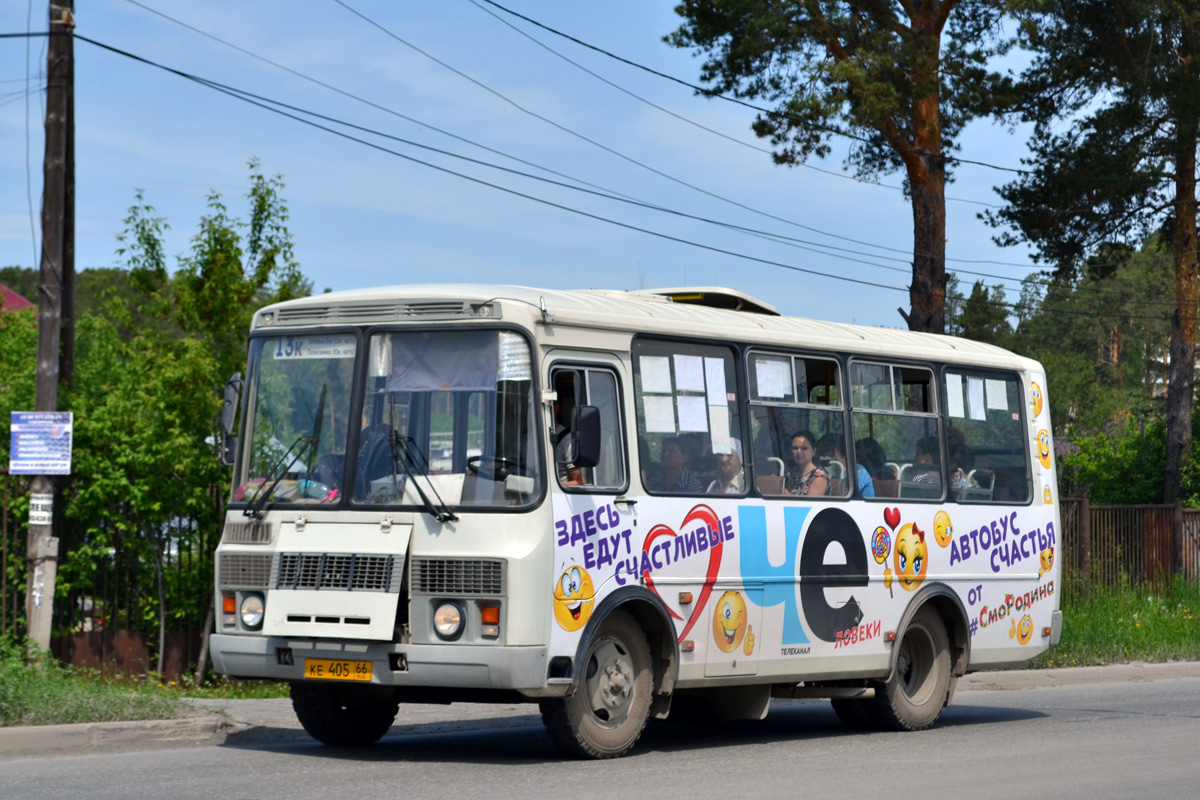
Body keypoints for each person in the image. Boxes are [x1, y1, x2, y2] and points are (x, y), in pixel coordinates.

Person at [815, 433, 874, 497]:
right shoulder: (835, 474)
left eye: (822, 454)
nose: (820, 459)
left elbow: (843, 495)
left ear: (833, 452)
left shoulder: (858, 472)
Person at [785, 431, 829, 496]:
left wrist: (781, 490)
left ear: (813, 451)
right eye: (795, 448)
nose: (799, 452)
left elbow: (810, 505)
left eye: (804, 448)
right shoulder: (790, 474)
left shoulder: (819, 477)